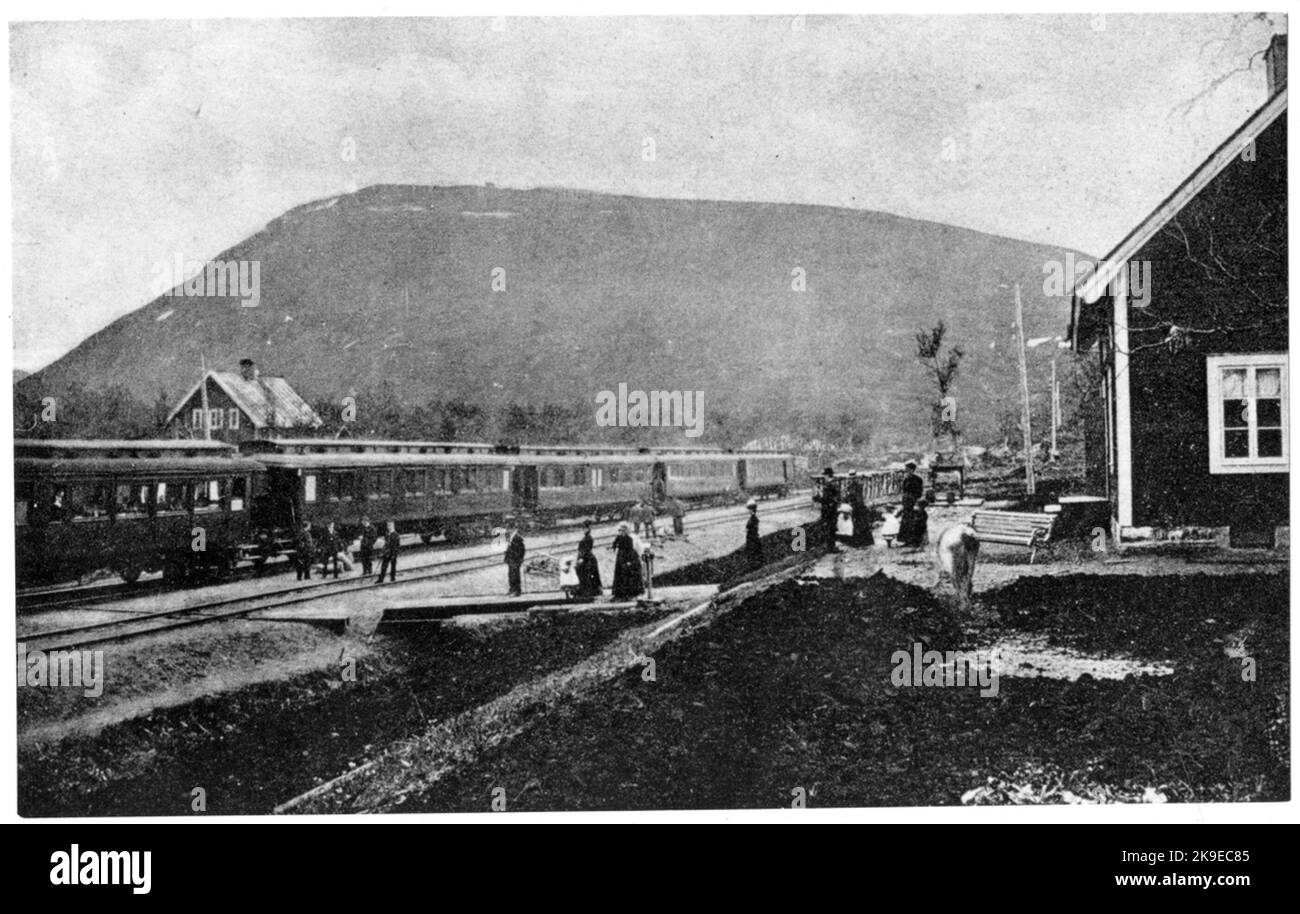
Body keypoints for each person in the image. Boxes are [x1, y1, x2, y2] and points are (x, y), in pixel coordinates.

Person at [610, 522, 644, 600]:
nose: (621, 532)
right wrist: (614, 548)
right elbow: (614, 545)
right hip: (621, 557)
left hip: (628, 557)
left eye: (623, 530)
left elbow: (632, 550)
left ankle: (631, 592)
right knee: (620, 574)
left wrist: (630, 560)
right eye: (620, 530)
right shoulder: (619, 537)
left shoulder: (630, 538)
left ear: (627, 530)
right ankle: (620, 593)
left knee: (629, 574)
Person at [575, 521, 603, 597]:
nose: (584, 530)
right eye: (583, 528)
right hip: (586, 558)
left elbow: (587, 549)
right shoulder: (586, 537)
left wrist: (582, 558)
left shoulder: (589, 538)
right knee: (585, 574)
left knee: (587, 574)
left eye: (585, 528)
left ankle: (589, 591)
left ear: (588, 529)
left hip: (587, 559)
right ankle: (586, 590)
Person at [846, 471, 873, 547]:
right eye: (851, 478)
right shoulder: (851, 486)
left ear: (856, 478)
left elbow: (858, 497)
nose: (852, 479)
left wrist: (853, 503)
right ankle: (861, 541)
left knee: (859, 524)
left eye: (854, 478)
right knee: (858, 524)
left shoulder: (856, 486)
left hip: (858, 506)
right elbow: (850, 497)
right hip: (856, 506)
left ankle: (860, 542)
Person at [817, 467, 839, 552]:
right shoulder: (830, 484)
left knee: (830, 528)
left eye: (824, 475)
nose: (824, 477)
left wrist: (820, 499)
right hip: (828, 509)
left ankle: (831, 547)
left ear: (828, 475)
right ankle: (830, 547)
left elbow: (831, 498)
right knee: (829, 528)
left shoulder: (831, 484)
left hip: (830, 510)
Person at [505, 527, 526, 596]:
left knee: (515, 576)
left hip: (515, 560)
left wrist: (519, 558)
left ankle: (516, 591)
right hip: (511, 560)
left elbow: (522, 549)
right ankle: (512, 589)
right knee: (511, 575)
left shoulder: (517, 537)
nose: (508, 530)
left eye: (509, 529)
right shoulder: (511, 537)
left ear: (513, 529)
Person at [745, 499, 763, 569]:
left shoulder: (753, 519)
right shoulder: (753, 518)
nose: (748, 511)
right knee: (755, 551)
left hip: (752, 538)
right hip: (753, 537)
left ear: (751, 509)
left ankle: (755, 565)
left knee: (753, 551)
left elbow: (750, 529)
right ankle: (756, 564)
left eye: (749, 509)